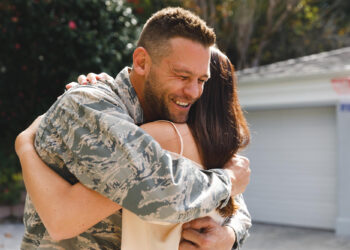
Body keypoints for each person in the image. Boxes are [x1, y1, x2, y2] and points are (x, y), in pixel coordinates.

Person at [15, 7, 251, 250]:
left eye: (201, 80)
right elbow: (161, 192)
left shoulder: (168, 117)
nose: (193, 92)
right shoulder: (88, 105)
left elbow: (227, 198)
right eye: (181, 76)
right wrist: (229, 181)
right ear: (141, 62)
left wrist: (230, 233)